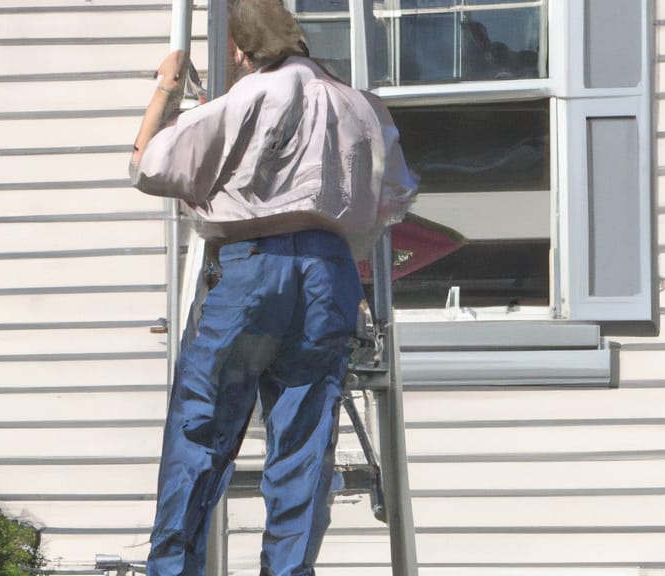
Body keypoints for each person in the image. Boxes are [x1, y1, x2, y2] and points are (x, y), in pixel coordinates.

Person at [129, 0, 416, 573]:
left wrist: (165, 90)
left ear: (240, 48)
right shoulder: (359, 105)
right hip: (328, 274)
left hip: (253, 268)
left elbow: (149, 168)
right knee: (305, 443)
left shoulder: (249, 96)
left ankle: (174, 568)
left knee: (202, 429)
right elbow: (397, 196)